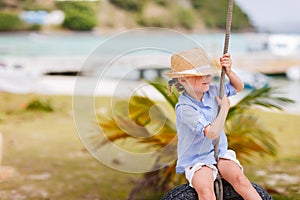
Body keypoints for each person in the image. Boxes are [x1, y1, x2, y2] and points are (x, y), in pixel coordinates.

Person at [166, 48, 262, 200]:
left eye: (207, 73)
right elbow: (212, 133)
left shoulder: (213, 91)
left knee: (240, 180)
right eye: (199, 75)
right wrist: (224, 108)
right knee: (206, 191)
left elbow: (238, 87)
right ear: (183, 80)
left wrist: (229, 72)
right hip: (197, 159)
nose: (206, 78)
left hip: (220, 153)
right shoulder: (185, 108)